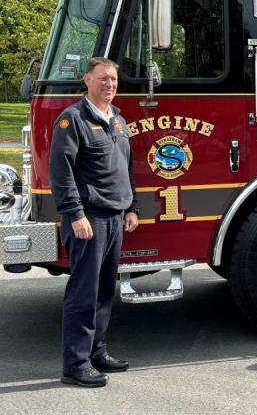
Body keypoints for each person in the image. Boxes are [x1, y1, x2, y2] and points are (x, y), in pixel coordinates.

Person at [49, 57, 139, 387]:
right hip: (89, 219)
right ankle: (75, 364)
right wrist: (74, 215)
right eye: (102, 79)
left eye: (113, 80)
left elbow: (126, 169)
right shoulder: (72, 120)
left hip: (116, 218)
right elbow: (61, 173)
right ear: (87, 81)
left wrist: (132, 208)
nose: (109, 85)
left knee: (103, 291)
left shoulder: (118, 120)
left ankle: (97, 353)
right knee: (83, 293)